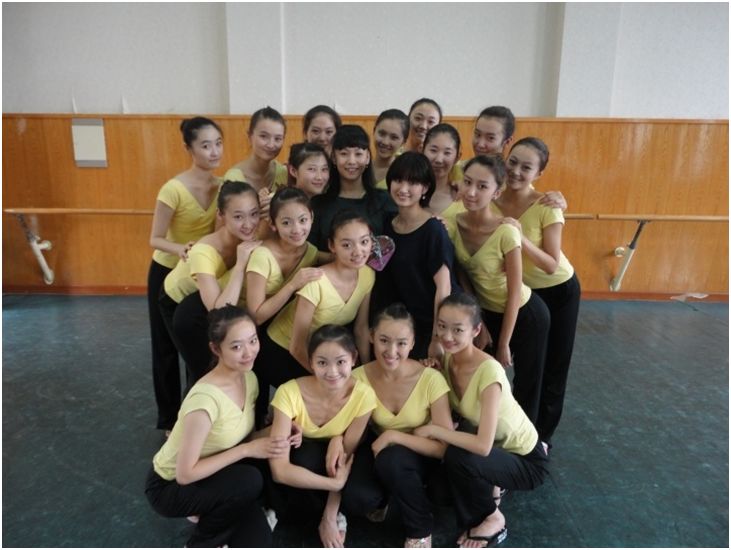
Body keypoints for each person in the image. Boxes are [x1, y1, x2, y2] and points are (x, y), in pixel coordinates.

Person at [145, 305, 299, 548]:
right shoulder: (204, 401)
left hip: (217, 473)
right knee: (250, 479)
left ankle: (213, 511)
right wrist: (246, 450)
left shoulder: (249, 378)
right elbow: (185, 474)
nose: (248, 352)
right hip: (170, 486)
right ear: (216, 349)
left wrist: (281, 427)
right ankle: (201, 542)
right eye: (236, 347)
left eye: (253, 341)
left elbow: (243, 438)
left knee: (258, 541)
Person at [415, 293, 549, 548]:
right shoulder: (448, 358)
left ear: (476, 330)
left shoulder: (489, 371)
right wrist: (432, 371)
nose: (447, 336)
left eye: (458, 329)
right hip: (496, 451)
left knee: (457, 456)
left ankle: (493, 518)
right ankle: (493, 484)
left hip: (526, 460)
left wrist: (434, 430)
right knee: (439, 491)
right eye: (442, 326)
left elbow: (483, 446)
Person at [443, 155, 549, 424]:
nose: (471, 192)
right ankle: (481, 438)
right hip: (484, 312)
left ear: (496, 192)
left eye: (482, 186)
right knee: (480, 380)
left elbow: (514, 292)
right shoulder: (454, 222)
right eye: (467, 182)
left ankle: (529, 442)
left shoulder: (506, 231)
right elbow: (462, 272)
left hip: (523, 313)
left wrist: (503, 343)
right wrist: (478, 320)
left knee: (525, 384)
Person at [346, 303, 453, 548]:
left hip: (423, 454)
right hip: (379, 451)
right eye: (384, 340)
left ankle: (420, 528)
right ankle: (388, 494)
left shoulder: (431, 378)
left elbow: (444, 447)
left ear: (413, 343)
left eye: (401, 343)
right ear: (371, 336)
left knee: (392, 459)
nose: (391, 351)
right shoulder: (357, 378)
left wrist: (394, 436)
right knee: (357, 498)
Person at [496, 137, 580, 447]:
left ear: (539, 173)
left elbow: (550, 263)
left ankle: (542, 437)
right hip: (523, 293)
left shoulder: (547, 205)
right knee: (527, 365)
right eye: (513, 162)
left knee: (554, 365)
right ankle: (518, 429)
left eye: (526, 167)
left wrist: (519, 237)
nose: (516, 171)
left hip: (558, 291)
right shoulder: (492, 198)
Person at [268, 324, 376, 548]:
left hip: (336, 460)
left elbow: (346, 456)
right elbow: (279, 470)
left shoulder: (364, 395)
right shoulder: (288, 392)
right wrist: (333, 484)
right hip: (305, 457)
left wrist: (330, 516)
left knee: (363, 496)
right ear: (311, 363)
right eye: (322, 363)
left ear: (354, 359)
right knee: (303, 459)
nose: (332, 372)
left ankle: (330, 513)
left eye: (340, 362)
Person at [257, 211, 375, 416]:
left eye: (364, 242)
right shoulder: (317, 283)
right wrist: (331, 377)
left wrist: (365, 371)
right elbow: (296, 347)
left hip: (320, 356)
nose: (358, 251)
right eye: (347, 245)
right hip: (281, 352)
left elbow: (361, 329)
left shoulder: (368, 274)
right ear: (332, 246)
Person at [148, 116, 223, 433]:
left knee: (197, 345)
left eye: (218, 143)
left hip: (200, 272)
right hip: (167, 270)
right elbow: (155, 238)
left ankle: (195, 414)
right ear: (189, 148)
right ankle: (168, 419)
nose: (214, 151)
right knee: (165, 347)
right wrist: (180, 249)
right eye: (205, 145)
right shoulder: (173, 189)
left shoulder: (223, 186)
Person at [159, 181, 261, 387]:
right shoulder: (203, 252)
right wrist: (240, 265)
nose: (248, 223)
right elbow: (218, 311)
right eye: (238, 217)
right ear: (221, 215)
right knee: (203, 370)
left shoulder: (250, 235)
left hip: (208, 297)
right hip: (176, 302)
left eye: (254, 214)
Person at [373, 151, 459, 359]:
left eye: (412, 183)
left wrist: (437, 338)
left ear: (425, 188)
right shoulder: (385, 223)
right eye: (398, 180)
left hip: (431, 326)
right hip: (401, 327)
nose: (403, 189)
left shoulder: (433, 229)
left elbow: (444, 289)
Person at [309, 125, 397, 250]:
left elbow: (392, 247)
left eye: (358, 154)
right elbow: (310, 250)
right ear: (334, 158)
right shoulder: (318, 203)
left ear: (367, 158)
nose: (351, 161)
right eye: (344, 154)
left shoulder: (384, 200)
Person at [225, 106, 288, 218]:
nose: (271, 145)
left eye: (278, 139)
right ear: (250, 136)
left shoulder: (284, 173)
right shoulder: (233, 178)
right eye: (264, 136)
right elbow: (225, 223)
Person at [422, 123, 463, 214]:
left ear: (457, 157)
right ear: (422, 150)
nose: (439, 160)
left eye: (447, 153)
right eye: (433, 150)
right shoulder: (408, 191)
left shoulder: (462, 196)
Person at [372, 109, 410, 189]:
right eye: (382, 134)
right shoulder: (360, 167)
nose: (385, 142)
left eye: (394, 137)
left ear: (404, 141)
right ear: (374, 131)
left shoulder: (404, 174)